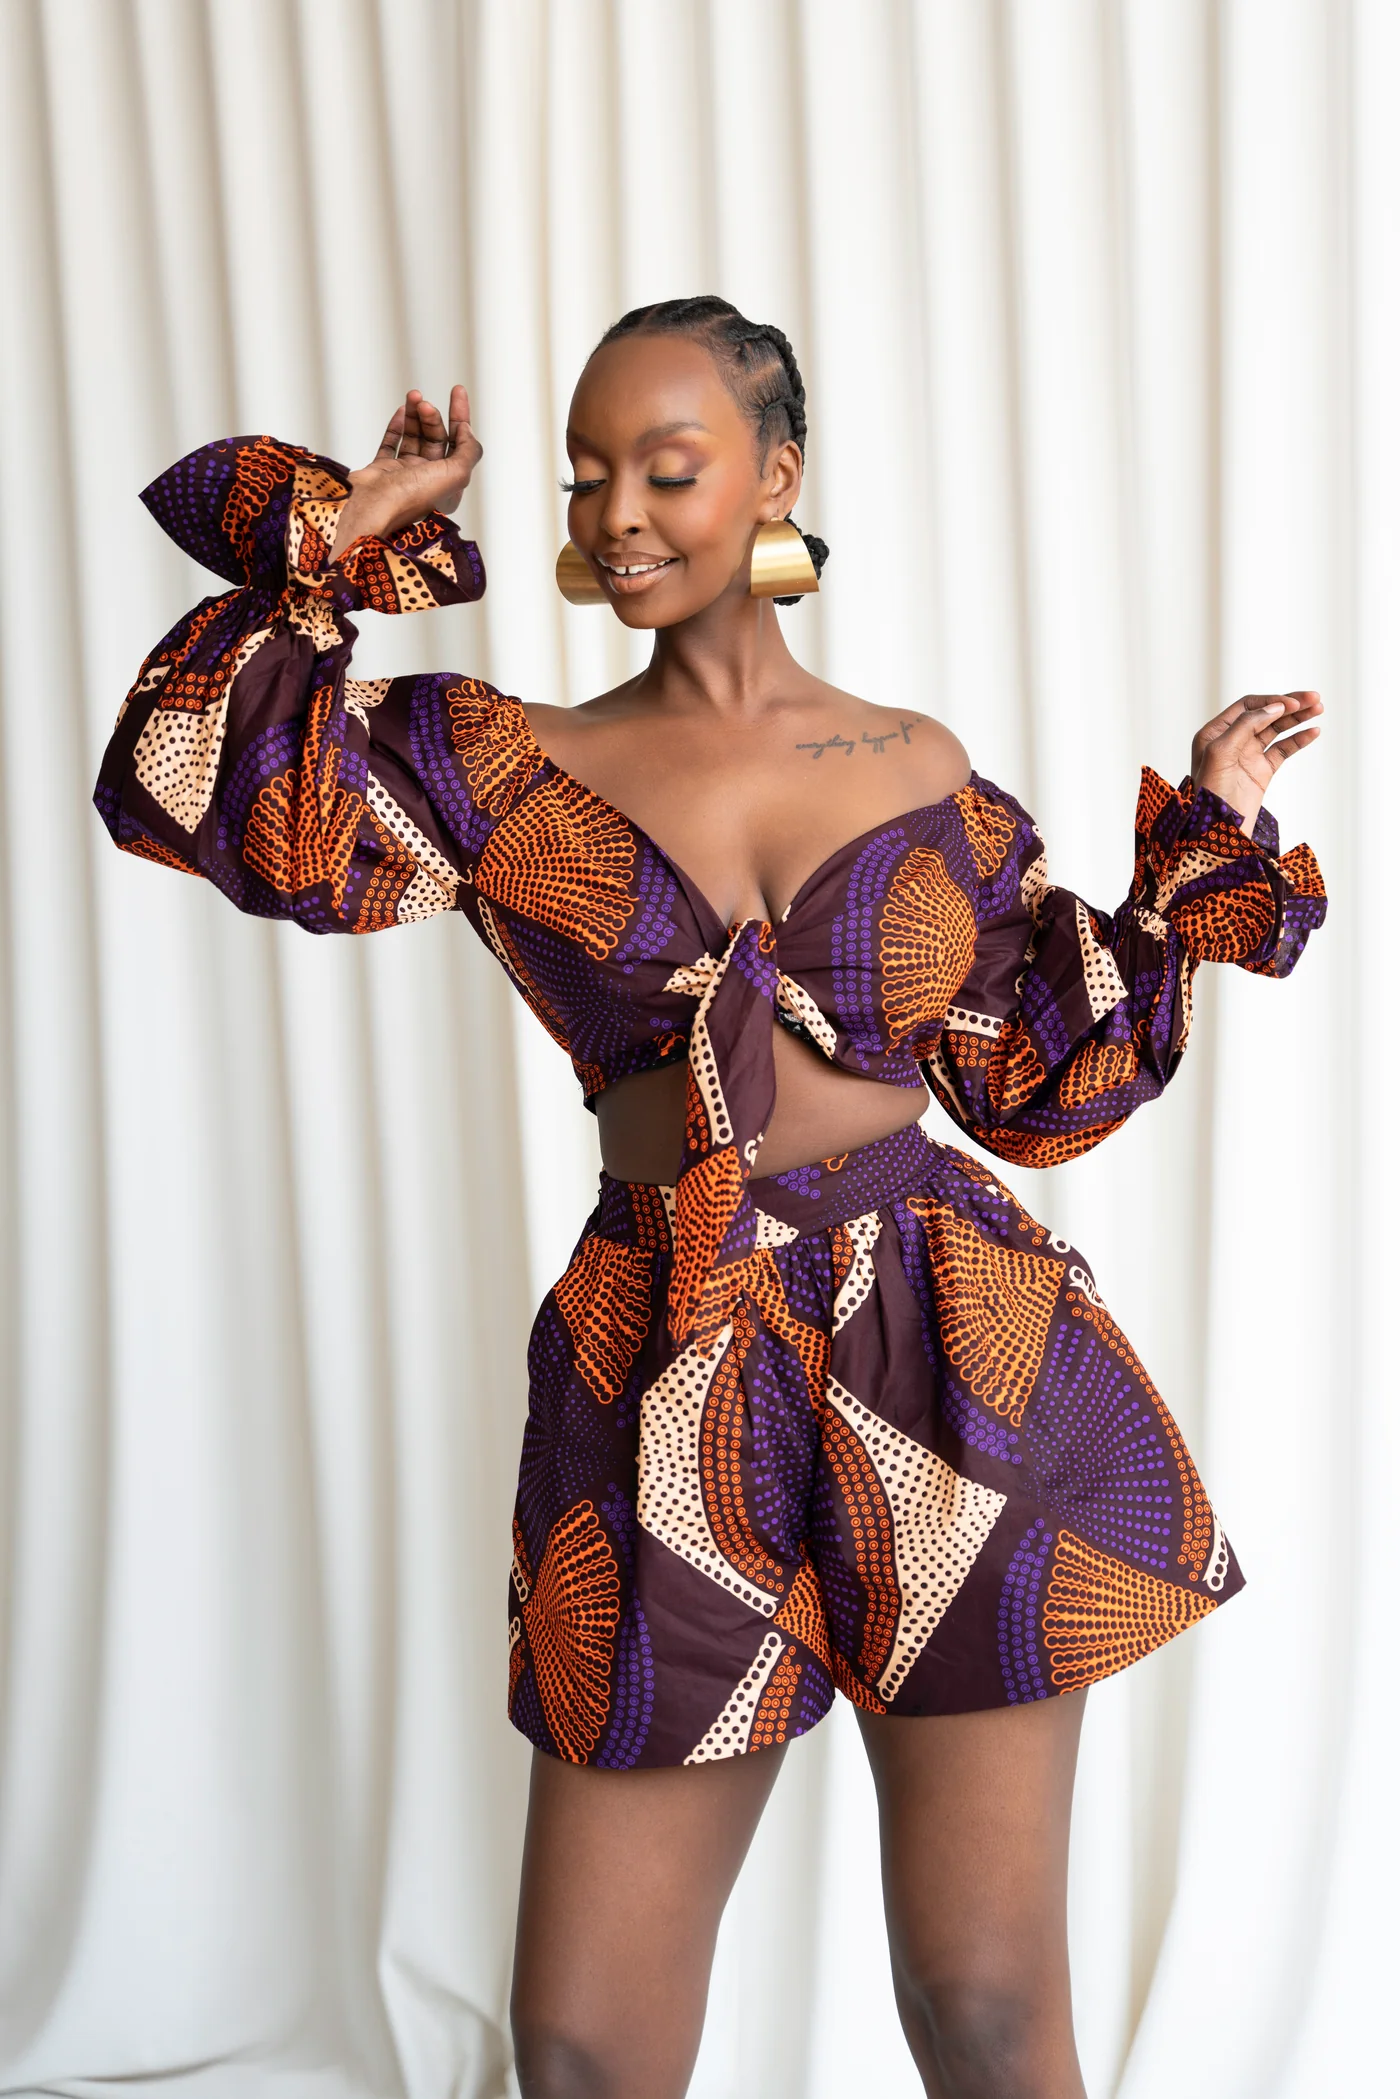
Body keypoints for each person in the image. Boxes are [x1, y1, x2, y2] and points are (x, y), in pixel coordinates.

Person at [95, 296, 1325, 2099]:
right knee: (584, 2040)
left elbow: (1034, 1079)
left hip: (947, 1358)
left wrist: (1203, 839)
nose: (618, 514)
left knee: (986, 2005)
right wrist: (345, 533)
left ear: (776, 475)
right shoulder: (492, 758)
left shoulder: (921, 766)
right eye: (586, 475)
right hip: (667, 1352)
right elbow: (202, 789)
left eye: (667, 469)